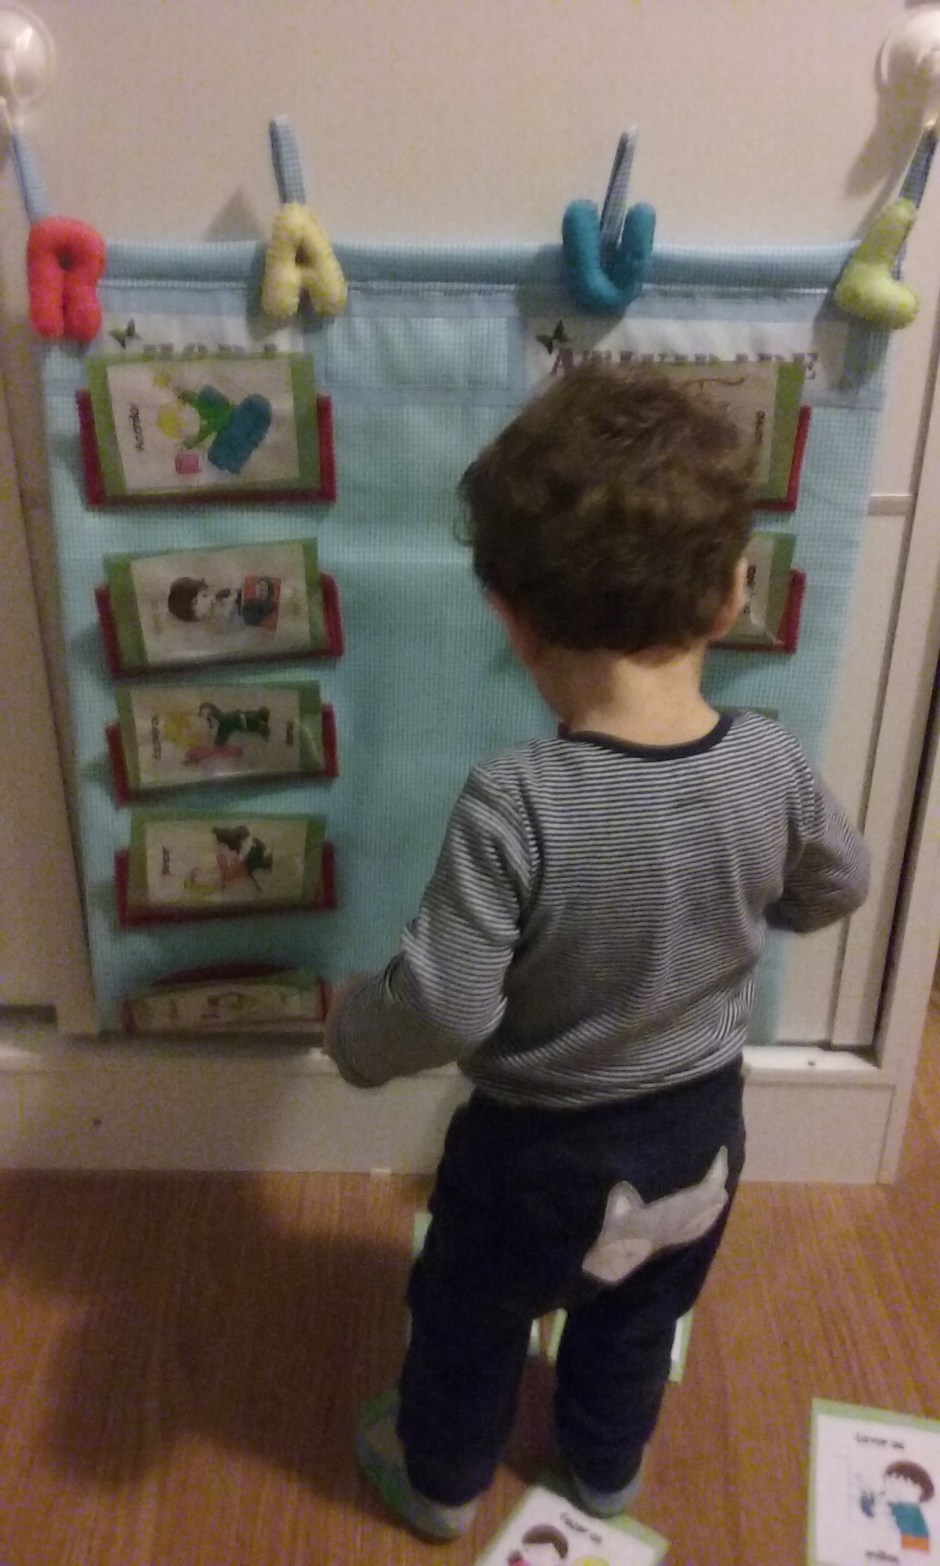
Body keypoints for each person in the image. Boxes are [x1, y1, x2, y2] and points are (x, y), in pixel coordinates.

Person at [324, 362, 870, 1542]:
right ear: (731, 592)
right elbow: (839, 882)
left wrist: (354, 1031)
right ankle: (606, 1469)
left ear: (509, 618)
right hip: (698, 1137)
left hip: (535, 1160)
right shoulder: (768, 762)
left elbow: (447, 1007)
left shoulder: (515, 800)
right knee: (639, 1309)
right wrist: (727, 920)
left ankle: (441, 1485)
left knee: (468, 1317)